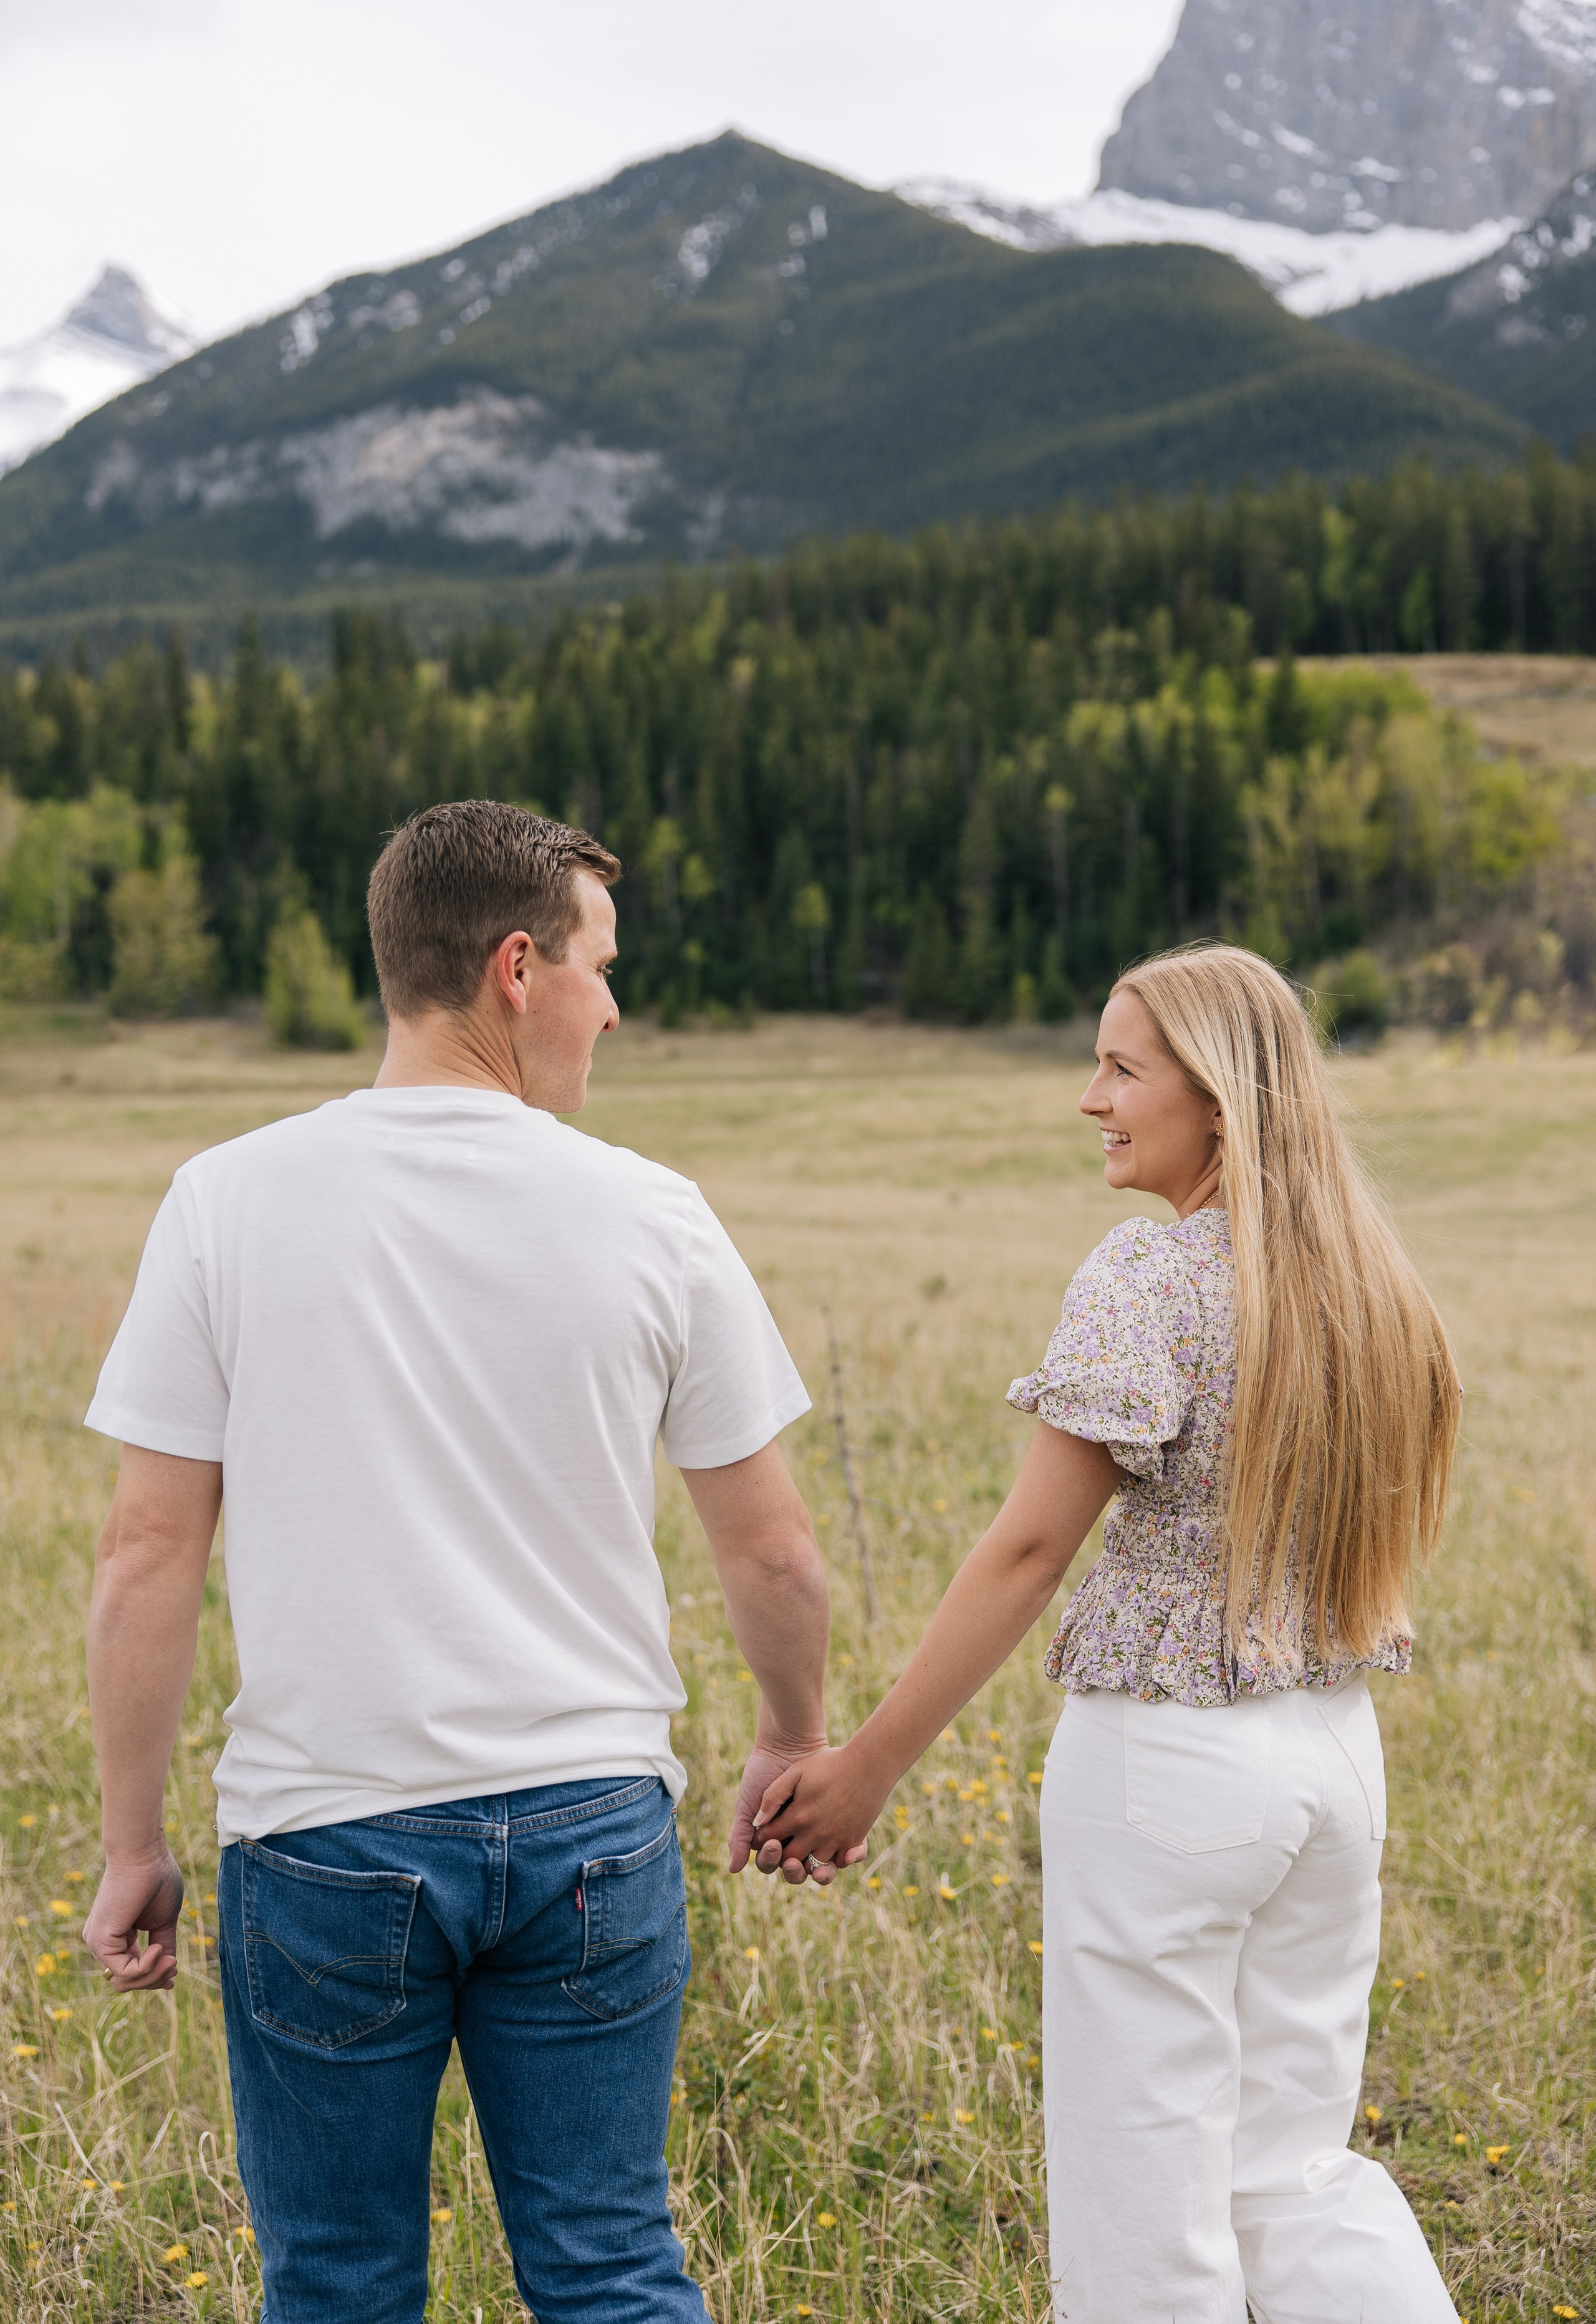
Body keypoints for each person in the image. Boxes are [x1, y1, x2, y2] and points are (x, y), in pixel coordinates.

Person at [80, 799, 835, 2324]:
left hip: (324, 1835)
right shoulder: (654, 1215)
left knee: (337, 2283)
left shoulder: (226, 1199)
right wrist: (792, 1735)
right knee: (611, 2268)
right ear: (514, 966)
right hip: (591, 1831)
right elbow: (772, 1552)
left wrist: (130, 1843)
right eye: (599, 967)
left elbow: (147, 1551)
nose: (610, 1008)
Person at [747, 942, 1463, 2324]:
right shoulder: (1368, 1287)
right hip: (1333, 1760)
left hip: (1170, 1774)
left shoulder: (1151, 1275)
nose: (1091, 1099)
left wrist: (868, 1765)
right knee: (1297, 2176)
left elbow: (1030, 1553)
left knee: (1144, 2213)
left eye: (1121, 1069)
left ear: (1218, 1099)